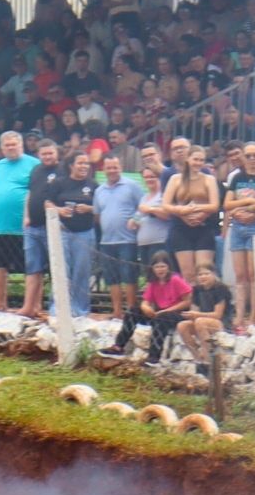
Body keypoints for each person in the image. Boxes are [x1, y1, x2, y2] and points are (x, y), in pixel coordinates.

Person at [0, 130, 37, 311]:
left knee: (31, 266)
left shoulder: (34, 164)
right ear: (1, 148)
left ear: (21, 145)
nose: (11, 148)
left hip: (23, 225)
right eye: (7, 145)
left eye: (14, 144)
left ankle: (32, 305)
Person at [103, 254, 191, 360]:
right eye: (157, 267)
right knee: (133, 311)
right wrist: (145, 307)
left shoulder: (175, 280)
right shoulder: (153, 282)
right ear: (152, 268)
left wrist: (166, 311)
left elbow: (187, 301)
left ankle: (154, 356)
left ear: (168, 267)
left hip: (176, 313)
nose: (160, 270)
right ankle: (118, 346)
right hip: (159, 312)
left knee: (161, 318)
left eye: (163, 266)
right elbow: (146, 301)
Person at [223, 143, 255, 325]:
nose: (252, 159)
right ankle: (239, 315)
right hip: (237, 227)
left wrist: (244, 206)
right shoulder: (237, 178)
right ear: (243, 158)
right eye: (248, 156)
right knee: (240, 274)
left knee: (253, 274)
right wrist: (250, 202)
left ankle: (253, 315)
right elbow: (226, 204)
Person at [44, 151, 98, 319]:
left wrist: (88, 209)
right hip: (62, 232)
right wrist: (59, 210)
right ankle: (58, 308)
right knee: (61, 269)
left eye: (86, 163)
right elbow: (47, 203)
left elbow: (101, 208)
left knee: (82, 271)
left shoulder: (93, 185)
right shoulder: (59, 183)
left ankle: (80, 309)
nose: (84, 166)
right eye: (80, 163)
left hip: (85, 233)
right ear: (71, 165)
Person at [92, 155, 143, 321]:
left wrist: (135, 220)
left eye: (115, 167)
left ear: (120, 168)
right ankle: (117, 312)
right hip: (107, 241)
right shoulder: (99, 190)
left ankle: (131, 312)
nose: (112, 171)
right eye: (109, 168)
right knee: (111, 278)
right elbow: (97, 215)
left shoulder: (132, 186)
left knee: (129, 276)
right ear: (103, 169)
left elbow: (142, 206)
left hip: (127, 240)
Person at [163, 144, 220, 278]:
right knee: (188, 274)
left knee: (204, 271)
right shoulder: (175, 179)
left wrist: (196, 209)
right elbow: (166, 204)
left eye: (201, 160)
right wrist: (181, 210)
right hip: (181, 228)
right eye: (195, 159)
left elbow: (214, 205)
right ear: (188, 159)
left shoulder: (209, 179)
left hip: (204, 228)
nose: (198, 163)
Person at [19, 139, 60, 316]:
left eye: (50, 153)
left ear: (57, 153)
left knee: (56, 269)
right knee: (32, 268)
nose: (47, 157)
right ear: (38, 155)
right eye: (44, 154)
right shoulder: (36, 170)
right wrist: (26, 216)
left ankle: (55, 307)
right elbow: (30, 194)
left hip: (53, 227)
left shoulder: (63, 170)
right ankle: (29, 307)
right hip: (33, 227)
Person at [178, 262, 234, 362]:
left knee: (200, 321)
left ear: (214, 274)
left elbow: (218, 314)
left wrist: (197, 315)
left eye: (206, 274)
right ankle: (198, 358)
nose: (203, 277)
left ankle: (208, 357)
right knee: (182, 326)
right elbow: (194, 310)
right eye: (200, 274)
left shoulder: (220, 288)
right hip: (201, 321)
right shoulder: (197, 290)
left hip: (221, 323)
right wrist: (190, 315)